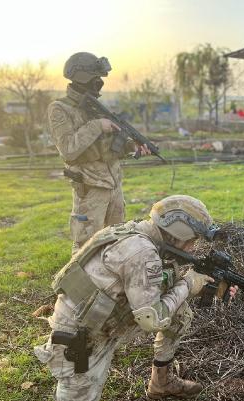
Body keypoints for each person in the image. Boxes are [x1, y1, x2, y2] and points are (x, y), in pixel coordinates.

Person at [0, 195, 236, 401]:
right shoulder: (141, 252)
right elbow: (151, 318)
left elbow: (150, 282)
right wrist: (188, 284)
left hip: (105, 321)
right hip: (80, 342)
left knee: (180, 313)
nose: (193, 246)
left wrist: (204, 284)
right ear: (177, 232)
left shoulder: (137, 233)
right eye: (193, 240)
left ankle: (161, 382)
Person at [48, 52, 151, 253]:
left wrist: (132, 146)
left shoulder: (95, 106)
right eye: (95, 79)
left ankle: (110, 283)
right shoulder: (59, 109)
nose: (98, 84)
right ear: (82, 78)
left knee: (117, 241)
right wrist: (97, 126)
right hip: (90, 187)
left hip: (114, 185)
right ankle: (78, 284)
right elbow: (68, 149)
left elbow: (110, 143)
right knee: (86, 247)